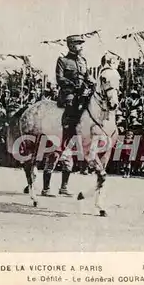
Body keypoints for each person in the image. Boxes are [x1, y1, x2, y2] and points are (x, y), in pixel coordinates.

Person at [55, 34, 96, 195]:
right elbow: (60, 78)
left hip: (82, 92)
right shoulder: (63, 61)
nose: (81, 46)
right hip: (69, 93)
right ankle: (68, 134)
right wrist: (73, 86)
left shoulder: (83, 61)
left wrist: (92, 82)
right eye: (78, 44)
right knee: (72, 106)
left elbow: (87, 76)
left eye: (81, 44)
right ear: (71, 45)